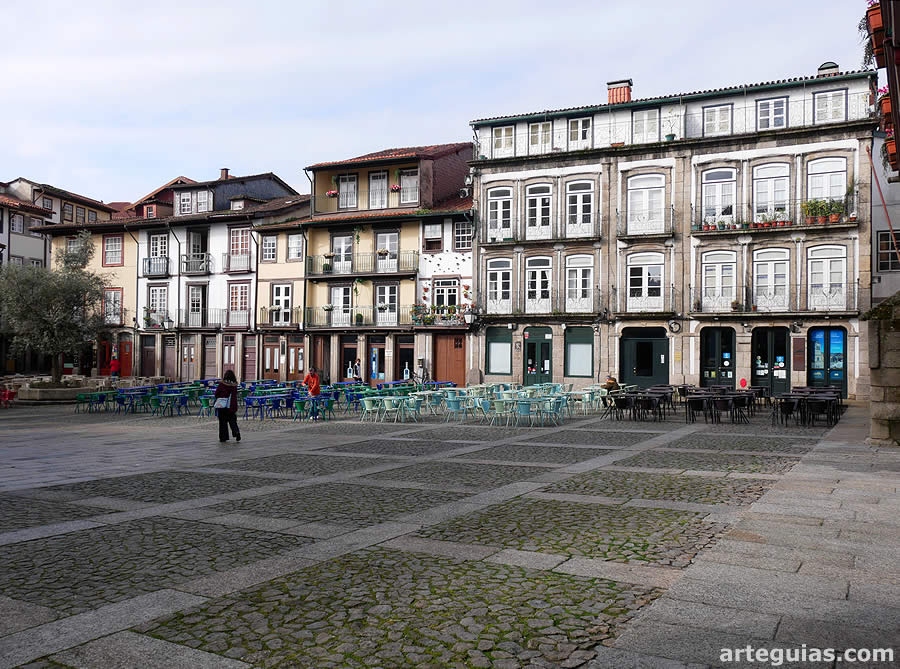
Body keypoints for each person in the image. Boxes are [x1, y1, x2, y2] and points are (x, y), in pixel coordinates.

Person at [214, 370, 241, 444]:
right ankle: (236, 432)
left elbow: (216, 393)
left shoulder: (222, 384)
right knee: (232, 421)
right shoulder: (234, 386)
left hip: (222, 406)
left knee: (222, 422)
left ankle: (223, 437)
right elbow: (234, 396)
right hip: (231, 406)